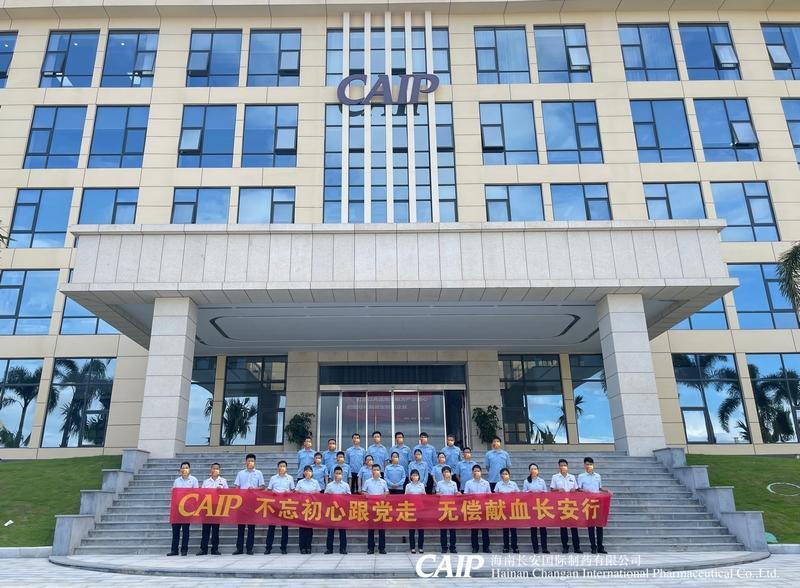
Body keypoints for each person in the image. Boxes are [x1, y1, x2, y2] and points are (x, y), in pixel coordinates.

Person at [232, 453, 265, 555]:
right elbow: (237, 487)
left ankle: (249, 548)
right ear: (245, 462)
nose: (250, 462)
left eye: (252, 461)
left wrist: (254, 489)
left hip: (253, 502)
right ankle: (239, 548)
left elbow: (262, 487)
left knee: (251, 527)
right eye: (249, 461)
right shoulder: (240, 473)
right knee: (240, 527)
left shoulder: (258, 473)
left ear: (255, 462)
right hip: (242, 502)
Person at [577, 457, 609, 554]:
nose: (589, 466)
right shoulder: (581, 476)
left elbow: (599, 488)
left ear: (593, 465)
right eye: (587, 464)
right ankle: (593, 547)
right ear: (584, 465)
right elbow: (578, 488)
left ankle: (600, 547)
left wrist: (606, 491)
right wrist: (584, 490)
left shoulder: (597, 476)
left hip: (598, 502)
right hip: (588, 502)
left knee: (599, 525)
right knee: (590, 525)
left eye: (590, 464)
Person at [551, 458, 581, 554]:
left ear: (567, 466)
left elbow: (577, 489)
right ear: (558, 467)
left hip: (572, 504)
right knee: (563, 527)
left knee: (574, 526)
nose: (563, 467)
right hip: (561, 504)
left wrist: (574, 490)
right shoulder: (555, 477)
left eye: (564, 465)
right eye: (561, 465)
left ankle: (577, 547)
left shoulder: (572, 477)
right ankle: (565, 546)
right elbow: (551, 490)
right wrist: (558, 490)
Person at [168, 461, 198, 556]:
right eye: (183, 467)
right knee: (175, 530)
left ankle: (184, 550)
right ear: (180, 469)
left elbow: (196, 493)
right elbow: (174, 493)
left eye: (186, 467)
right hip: (177, 508)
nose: (184, 469)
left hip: (187, 509)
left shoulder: (193, 480)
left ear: (189, 469)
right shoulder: (177, 481)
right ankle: (174, 550)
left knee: (185, 530)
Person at [197, 462, 227, 556]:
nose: (215, 470)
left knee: (215, 529)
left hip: (217, 507)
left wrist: (221, 490)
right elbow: (201, 494)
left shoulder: (223, 481)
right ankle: (203, 549)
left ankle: (215, 549)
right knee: (205, 529)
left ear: (220, 470)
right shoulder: (206, 482)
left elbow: (228, 493)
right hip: (206, 507)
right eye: (213, 468)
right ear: (211, 470)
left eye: (217, 468)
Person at [266, 460, 295, 555]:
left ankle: (283, 547)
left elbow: (293, 491)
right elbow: (269, 490)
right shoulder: (273, 478)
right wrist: (272, 493)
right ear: (277, 467)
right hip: (274, 505)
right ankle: (268, 547)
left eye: (284, 466)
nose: (282, 468)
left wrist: (288, 493)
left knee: (284, 528)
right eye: (280, 466)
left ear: (286, 468)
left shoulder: (290, 478)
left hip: (285, 504)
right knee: (271, 527)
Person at [463, 465, 491, 554]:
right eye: (475, 471)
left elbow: (489, 495)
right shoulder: (468, 483)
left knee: (485, 529)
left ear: (481, 472)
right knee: (474, 530)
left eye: (478, 471)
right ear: (472, 473)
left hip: (483, 508)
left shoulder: (486, 483)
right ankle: (475, 547)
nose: (476, 472)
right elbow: (466, 495)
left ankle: (486, 547)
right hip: (473, 508)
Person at [362, 464, 389, 554]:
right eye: (374, 470)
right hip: (370, 507)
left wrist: (384, 495)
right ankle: (371, 548)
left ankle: (382, 548)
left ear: (380, 471)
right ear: (372, 471)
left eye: (377, 470)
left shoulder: (383, 482)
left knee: (382, 528)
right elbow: (363, 491)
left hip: (381, 507)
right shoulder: (368, 481)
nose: (376, 471)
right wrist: (366, 494)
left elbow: (387, 492)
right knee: (371, 529)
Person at [523, 462, 549, 554]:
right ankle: (535, 548)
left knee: (543, 528)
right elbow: (523, 493)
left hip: (541, 506)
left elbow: (546, 492)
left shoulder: (542, 481)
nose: (533, 470)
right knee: (533, 528)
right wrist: (528, 492)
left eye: (535, 469)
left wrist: (542, 493)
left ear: (538, 471)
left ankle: (544, 548)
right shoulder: (526, 481)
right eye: (532, 469)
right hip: (531, 506)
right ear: (529, 471)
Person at [295, 465, 322, 554]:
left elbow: (319, 493)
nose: (308, 472)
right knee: (302, 528)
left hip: (311, 507)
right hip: (302, 507)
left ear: (312, 473)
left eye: (309, 471)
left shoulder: (315, 482)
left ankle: (308, 546)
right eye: (306, 471)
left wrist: (313, 493)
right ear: (303, 472)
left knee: (309, 528)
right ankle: (302, 547)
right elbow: (296, 492)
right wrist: (301, 492)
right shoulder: (300, 482)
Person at [324, 466, 350, 554]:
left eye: (339, 473)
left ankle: (343, 548)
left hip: (342, 510)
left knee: (342, 531)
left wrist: (344, 496)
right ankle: (329, 549)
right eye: (336, 473)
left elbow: (350, 497)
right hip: (332, 510)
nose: (338, 475)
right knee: (330, 530)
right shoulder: (329, 485)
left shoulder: (346, 485)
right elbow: (324, 497)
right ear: (333, 474)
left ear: (342, 475)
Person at [494, 467, 520, 553]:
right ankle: (506, 547)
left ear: (509, 475)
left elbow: (520, 495)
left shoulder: (513, 484)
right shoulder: (498, 484)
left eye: (506, 474)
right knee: (505, 529)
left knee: (513, 529)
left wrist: (515, 494)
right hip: (503, 509)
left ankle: (514, 546)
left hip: (512, 508)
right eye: (503, 474)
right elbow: (493, 497)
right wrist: (498, 494)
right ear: (501, 476)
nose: (504, 475)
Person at [435, 465, 458, 554]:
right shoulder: (439, 483)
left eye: (448, 472)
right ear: (442, 474)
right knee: (443, 529)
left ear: (450, 473)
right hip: (443, 507)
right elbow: (437, 494)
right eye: (445, 472)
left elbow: (455, 493)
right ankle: (444, 547)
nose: (446, 473)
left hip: (452, 508)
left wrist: (458, 494)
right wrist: (438, 495)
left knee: (452, 529)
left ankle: (452, 547)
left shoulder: (454, 483)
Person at [404, 469, 426, 553]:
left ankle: (421, 547)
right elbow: (405, 497)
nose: (415, 476)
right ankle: (412, 547)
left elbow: (425, 496)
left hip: (420, 509)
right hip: (411, 508)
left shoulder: (421, 485)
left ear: (418, 476)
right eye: (413, 475)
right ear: (411, 476)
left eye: (416, 475)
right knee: (412, 529)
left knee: (421, 529)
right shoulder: (408, 486)